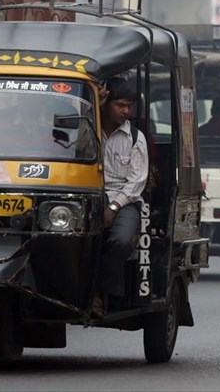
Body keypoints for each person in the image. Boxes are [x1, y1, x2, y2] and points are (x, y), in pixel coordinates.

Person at [91, 76, 148, 317]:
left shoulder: (136, 138)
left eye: (129, 106)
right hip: (91, 195)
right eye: (120, 105)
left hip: (125, 200)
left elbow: (136, 183)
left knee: (122, 240)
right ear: (106, 102)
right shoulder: (88, 128)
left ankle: (99, 292)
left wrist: (113, 207)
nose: (126, 111)